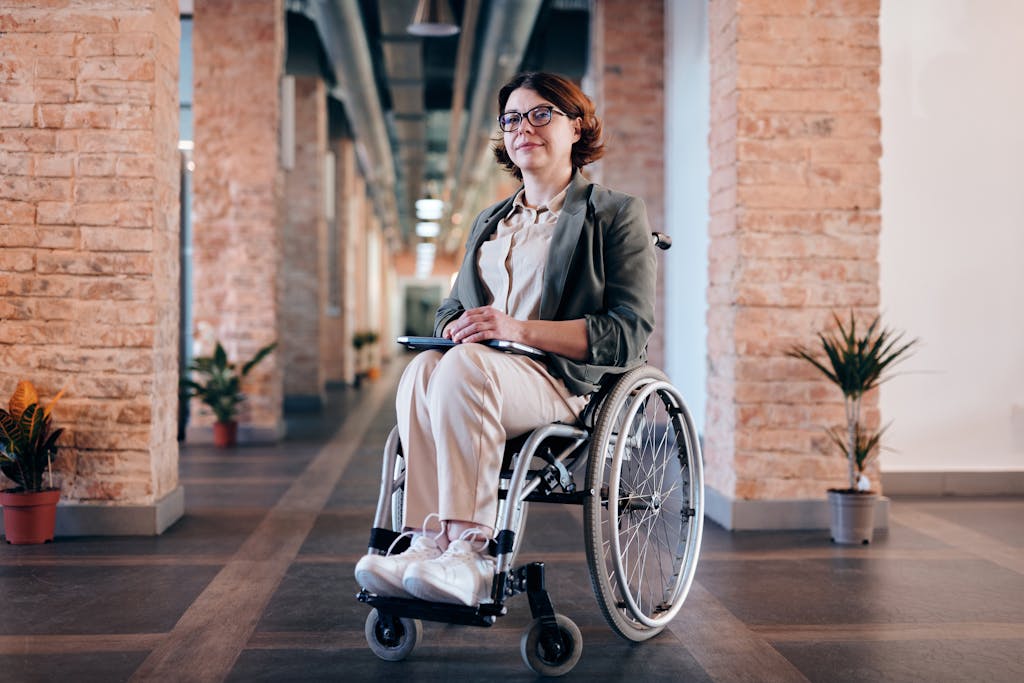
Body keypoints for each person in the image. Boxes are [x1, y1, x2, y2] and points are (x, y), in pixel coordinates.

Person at [355, 72, 656, 607]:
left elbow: (628, 334)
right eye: (512, 118)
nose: (524, 128)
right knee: (424, 368)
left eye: (542, 114)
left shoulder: (612, 214)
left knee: (462, 368)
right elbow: (454, 303)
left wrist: (515, 329)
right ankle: (428, 541)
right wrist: (453, 326)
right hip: (477, 375)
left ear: (577, 127)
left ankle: (472, 553)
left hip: (559, 382)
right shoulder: (490, 221)